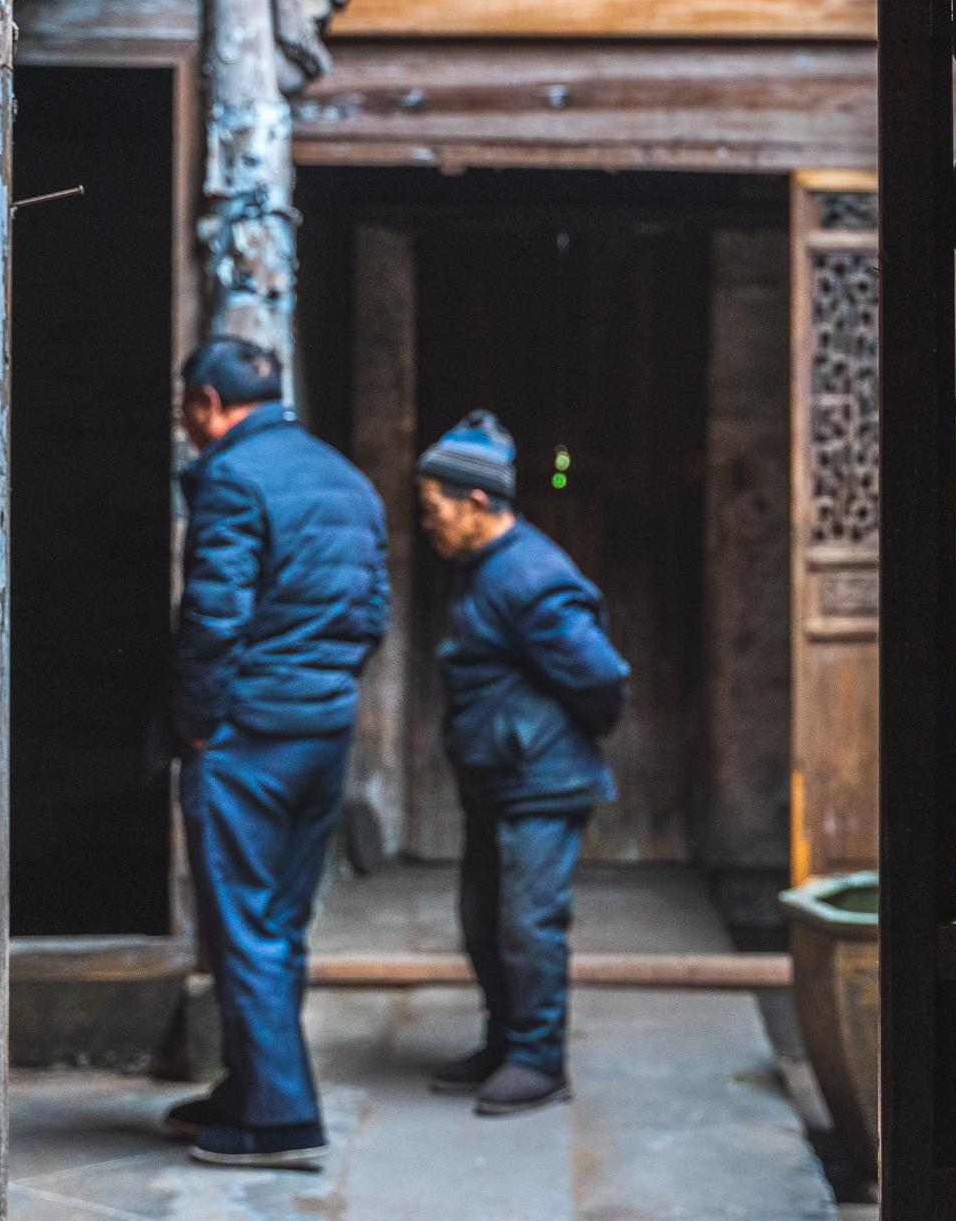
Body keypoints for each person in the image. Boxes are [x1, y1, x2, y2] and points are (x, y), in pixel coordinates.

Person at [162, 338, 389, 1170]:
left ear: (209, 404)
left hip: (246, 735)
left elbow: (213, 622)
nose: (190, 430)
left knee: (242, 922)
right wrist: (322, 688)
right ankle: (248, 1087)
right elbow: (373, 612)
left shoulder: (232, 477)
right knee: (280, 920)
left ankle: (281, 1118)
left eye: (189, 412)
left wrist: (198, 723)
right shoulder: (347, 479)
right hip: (323, 728)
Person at [416, 411, 630, 1117]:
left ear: (477, 504)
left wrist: (546, 739)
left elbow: (601, 677)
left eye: (434, 509)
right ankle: (505, 1040)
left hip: (538, 780)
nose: (429, 523)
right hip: (497, 779)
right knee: (482, 920)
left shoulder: (531, 578)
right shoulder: (482, 567)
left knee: (527, 924)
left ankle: (539, 1060)